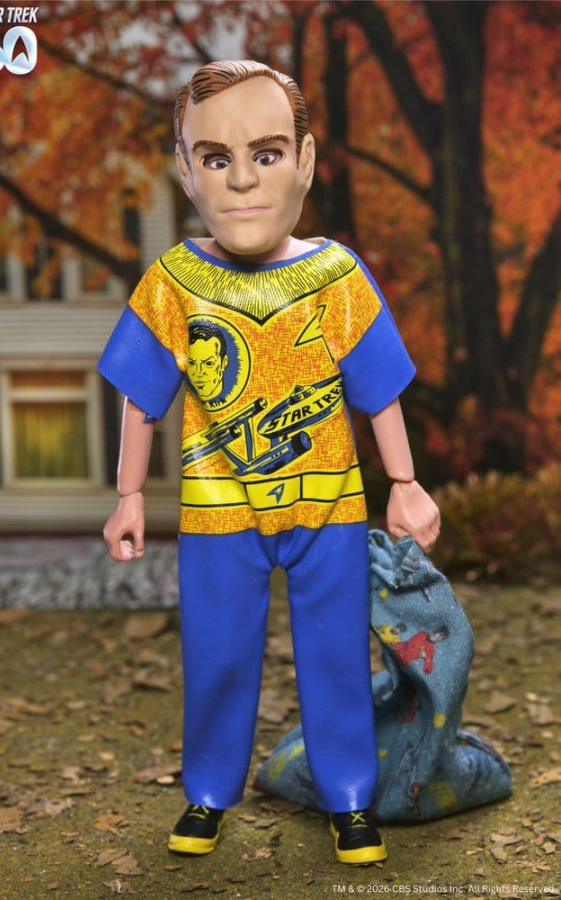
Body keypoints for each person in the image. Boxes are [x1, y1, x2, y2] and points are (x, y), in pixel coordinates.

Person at [98, 59, 440, 866]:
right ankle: (207, 793)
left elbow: (378, 392)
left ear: (305, 161)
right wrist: (128, 495)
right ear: (185, 170)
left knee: (334, 654)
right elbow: (141, 397)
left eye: (267, 152)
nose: (243, 179)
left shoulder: (336, 277)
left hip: (328, 506)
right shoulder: (174, 284)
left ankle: (349, 797)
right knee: (215, 654)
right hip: (220, 508)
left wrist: (404, 482)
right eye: (215, 157)